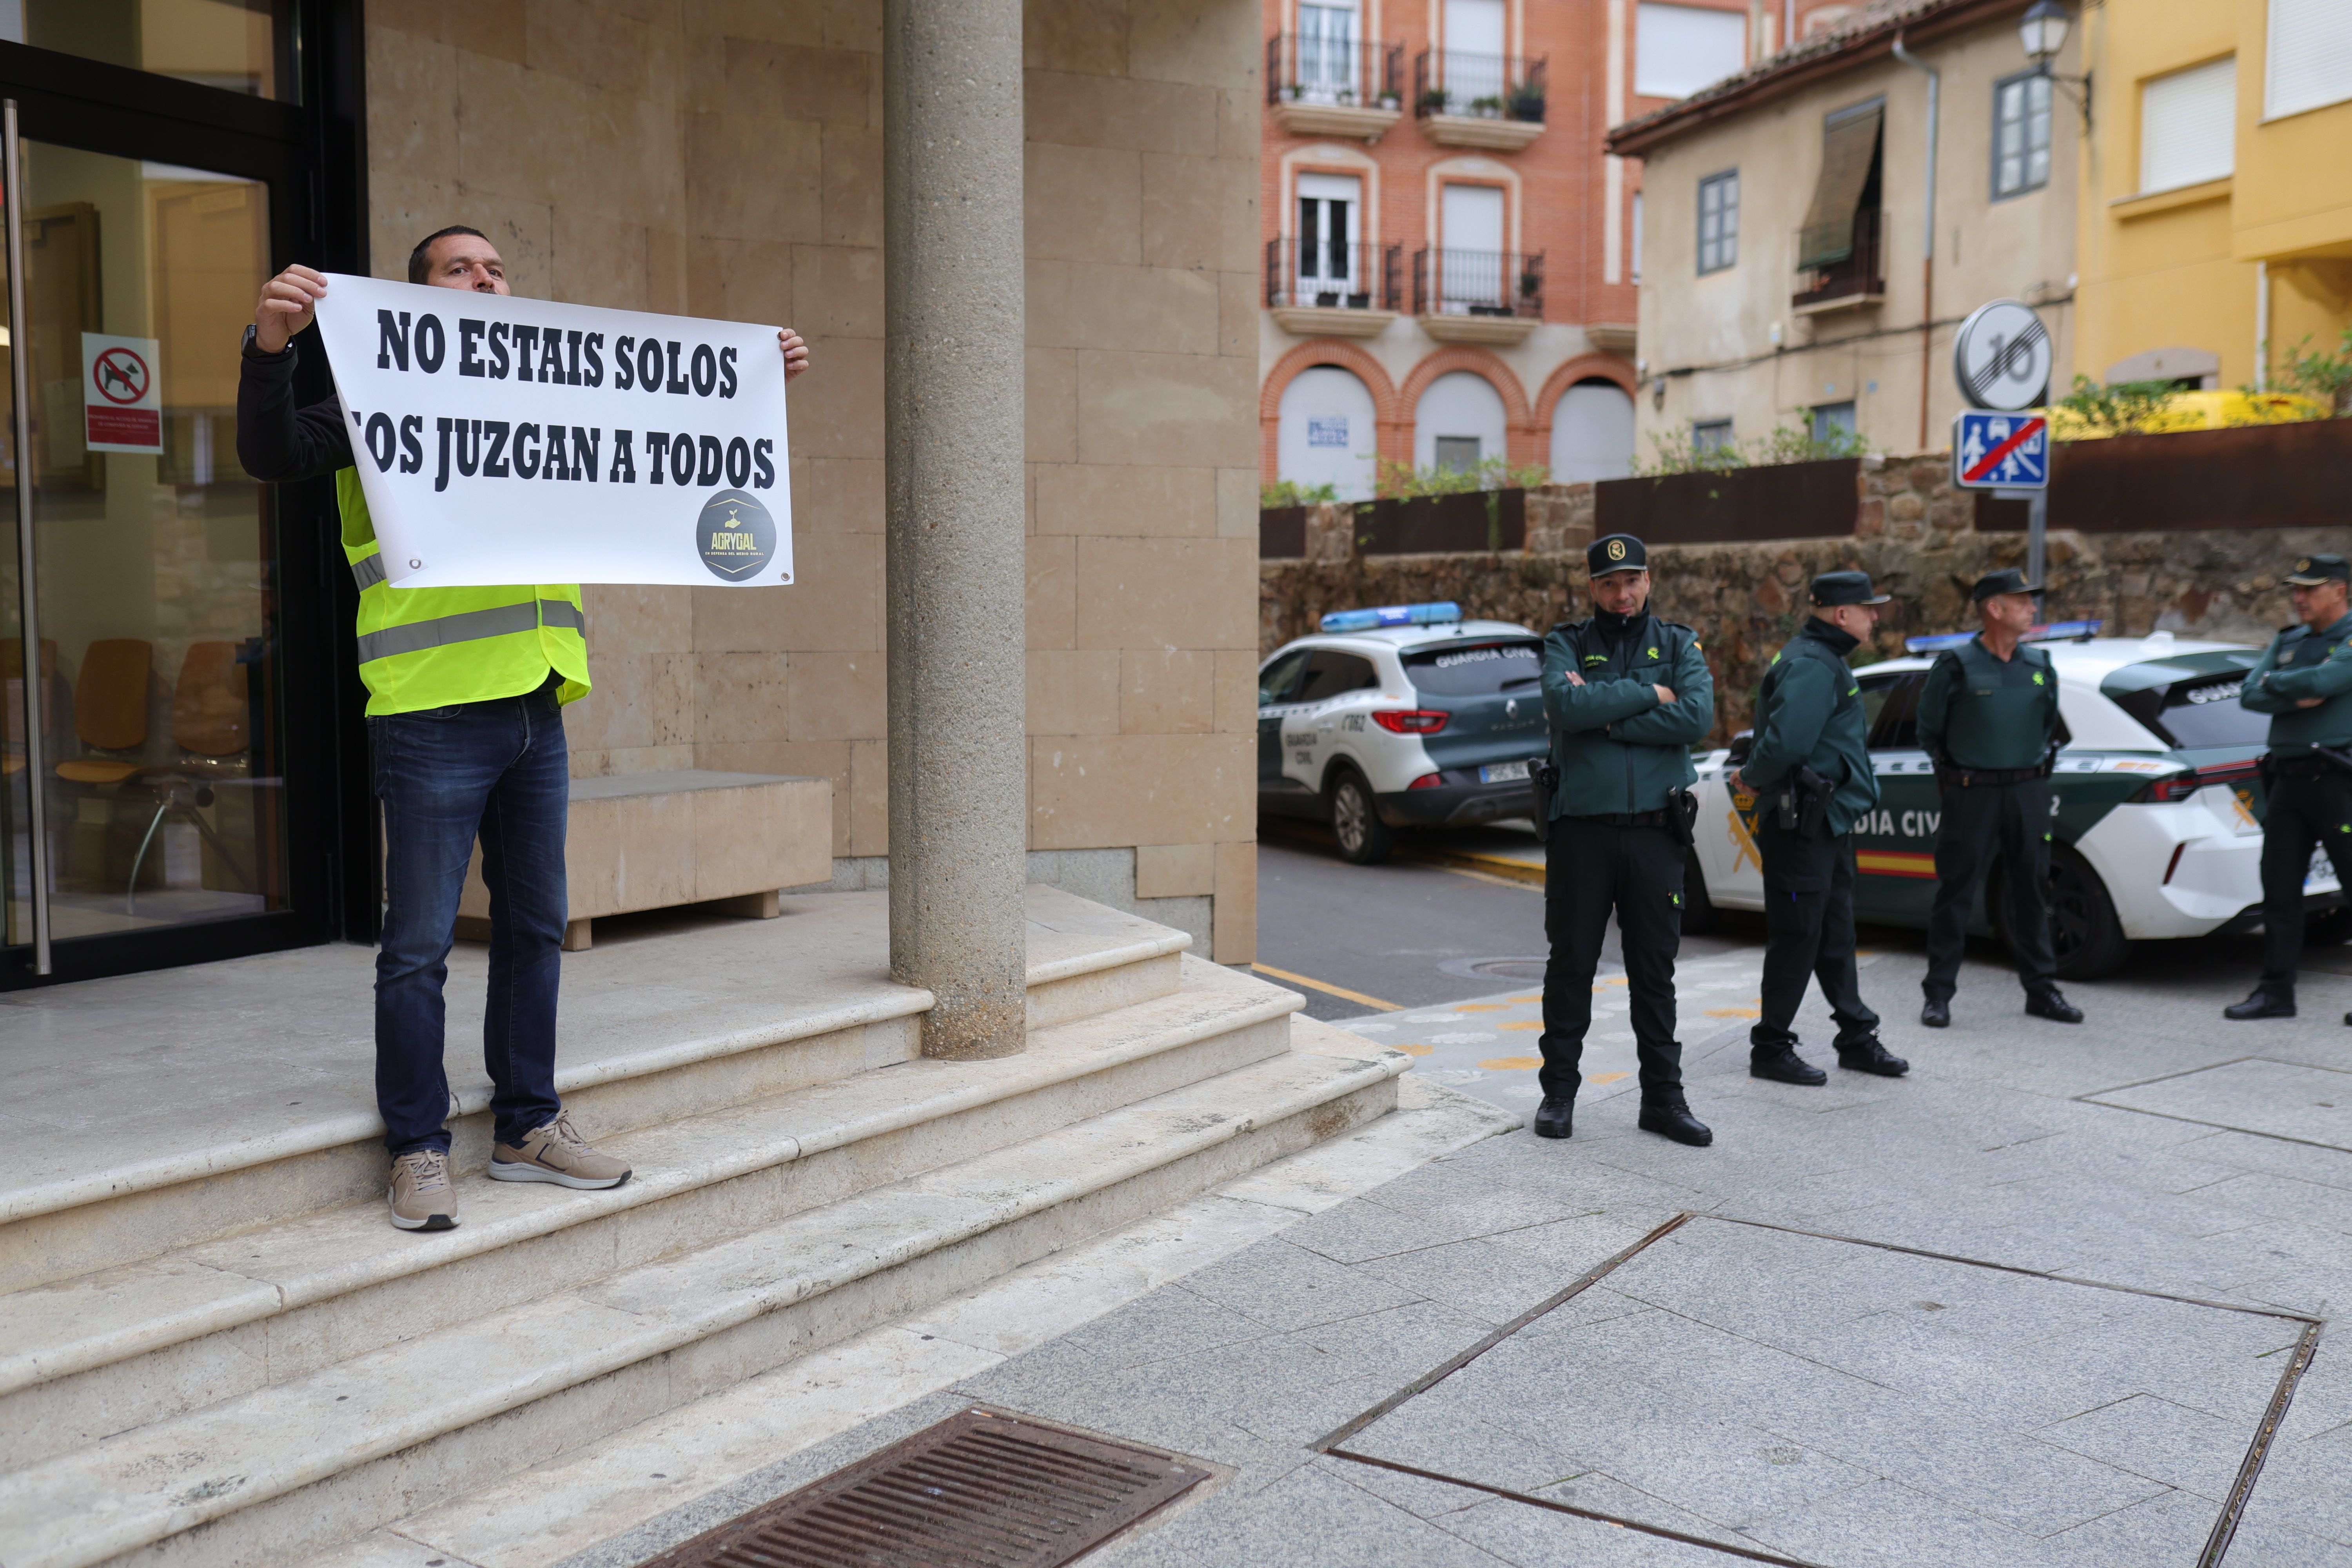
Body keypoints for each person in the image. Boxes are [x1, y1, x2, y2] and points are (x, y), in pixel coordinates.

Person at [236, 226, 812, 1230]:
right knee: (416, 945)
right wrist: (271, 348)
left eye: (497, 268)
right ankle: (416, 1147)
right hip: (429, 707)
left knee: (536, 927)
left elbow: (663, 442)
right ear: (414, 300)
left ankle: (526, 1127)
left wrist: (748, 389)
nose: (486, 278)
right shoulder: (378, 398)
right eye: (460, 268)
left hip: (538, 703)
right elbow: (273, 449)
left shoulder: (559, 396)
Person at [1532, 533, 1715, 1147]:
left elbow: (1694, 717)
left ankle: (1663, 1100)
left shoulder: (1679, 642)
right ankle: (1558, 1095)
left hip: (1655, 835)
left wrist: (1604, 713)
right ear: (1592, 588)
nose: (1622, 593)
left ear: (1648, 580)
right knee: (1572, 967)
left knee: (1655, 973)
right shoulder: (1567, 642)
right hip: (1582, 832)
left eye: (1631, 580)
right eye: (1609, 584)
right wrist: (1646, 697)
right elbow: (1564, 707)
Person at [1731, 571, 1909, 1084]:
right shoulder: (1812, 663)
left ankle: (1856, 1037)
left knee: (1834, 934)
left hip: (1823, 822)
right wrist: (1751, 777)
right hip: (1800, 825)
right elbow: (1787, 745)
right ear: (1840, 614)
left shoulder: (1824, 660)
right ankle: (1770, 1048)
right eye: (1868, 609)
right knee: (1797, 935)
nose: (1875, 617)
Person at [1915, 568, 2083, 1028]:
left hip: (2027, 790)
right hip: (1972, 793)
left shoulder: (2040, 665)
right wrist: (1957, 773)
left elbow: (2049, 725)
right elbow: (1929, 731)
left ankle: (2042, 989)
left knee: (2032, 887)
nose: (2032, 608)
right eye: (2022, 600)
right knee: (1956, 893)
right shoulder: (1955, 665)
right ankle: (1939, 994)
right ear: (1994, 609)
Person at [2229, 552, 2352, 1023]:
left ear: (2339, 591)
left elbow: (2329, 678)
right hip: (2288, 781)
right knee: (2279, 890)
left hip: (2338, 780)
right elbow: (2248, 692)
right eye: (2295, 589)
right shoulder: (2289, 640)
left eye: (2310, 589)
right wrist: (2294, 688)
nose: (2298, 598)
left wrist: (2279, 685)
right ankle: (2276, 991)